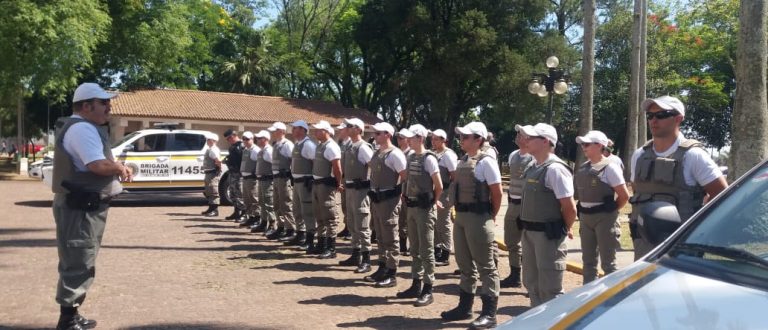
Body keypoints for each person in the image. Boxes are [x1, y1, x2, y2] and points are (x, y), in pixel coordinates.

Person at [51, 83, 131, 330]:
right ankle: (67, 320)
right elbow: (96, 165)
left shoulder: (84, 127)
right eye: (103, 102)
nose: (109, 106)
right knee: (79, 258)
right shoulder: (83, 129)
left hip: (83, 206)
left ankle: (72, 315)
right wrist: (119, 167)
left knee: (80, 257)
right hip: (80, 209)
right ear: (86, 106)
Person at [630, 96, 727, 260]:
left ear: (678, 118)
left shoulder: (693, 155)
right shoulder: (639, 155)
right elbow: (637, 190)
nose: (654, 120)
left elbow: (722, 194)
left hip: (681, 244)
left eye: (661, 115)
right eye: (650, 116)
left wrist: (699, 224)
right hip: (643, 242)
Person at [440, 122, 502, 329]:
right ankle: (464, 307)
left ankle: (489, 313)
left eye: (466, 137)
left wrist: (489, 215)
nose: (461, 140)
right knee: (465, 265)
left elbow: (497, 192)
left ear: (478, 139)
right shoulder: (463, 160)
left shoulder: (486, 162)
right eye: (461, 136)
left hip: (478, 216)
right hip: (462, 216)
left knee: (486, 267)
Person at [516, 123, 577, 307]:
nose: (525, 140)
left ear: (545, 141)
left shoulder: (555, 169)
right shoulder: (533, 166)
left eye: (530, 137)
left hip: (548, 236)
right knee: (532, 284)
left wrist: (563, 230)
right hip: (529, 232)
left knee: (550, 287)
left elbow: (569, 207)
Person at [574, 130, 630, 283]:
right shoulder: (584, 168)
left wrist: (609, 213)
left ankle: (611, 300)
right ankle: (588, 297)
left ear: (599, 146)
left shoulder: (610, 167)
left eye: (587, 144)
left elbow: (624, 196)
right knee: (588, 262)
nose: (583, 147)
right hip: (585, 217)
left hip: (604, 218)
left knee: (608, 263)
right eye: (582, 144)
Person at [396, 124, 443, 307]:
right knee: (414, 248)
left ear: (420, 139)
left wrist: (432, 201)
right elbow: (407, 178)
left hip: (424, 208)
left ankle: (428, 287)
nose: (408, 140)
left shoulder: (428, 159)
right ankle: (416, 283)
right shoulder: (410, 156)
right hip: (412, 207)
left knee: (427, 249)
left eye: (412, 137)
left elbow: (438, 185)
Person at [364, 122, 407, 288]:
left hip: (389, 200)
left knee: (390, 236)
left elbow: (405, 176)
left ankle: (392, 271)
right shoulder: (377, 153)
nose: (375, 135)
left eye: (379, 133)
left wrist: (396, 192)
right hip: (376, 199)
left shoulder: (395, 154)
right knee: (380, 236)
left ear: (388, 135)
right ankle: (382, 267)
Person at [338, 118, 375, 273]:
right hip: (350, 189)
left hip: (361, 190)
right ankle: (356, 254)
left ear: (359, 130)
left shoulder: (363, 148)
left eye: (350, 126)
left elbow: (374, 167)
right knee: (352, 223)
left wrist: (368, 183)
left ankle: (366, 259)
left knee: (362, 224)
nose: (347, 128)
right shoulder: (349, 146)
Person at [499, 125, 534, 289]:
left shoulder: (534, 158)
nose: (517, 136)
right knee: (511, 241)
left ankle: (532, 279)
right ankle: (515, 275)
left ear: (528, 138)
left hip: (528, 206)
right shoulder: (513, 155)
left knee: (530, 244)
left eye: (520, 134)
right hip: (513, 204)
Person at [310, 120, 343, 258]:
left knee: (329, 216)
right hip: (317, 184)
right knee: (319, 216)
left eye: (319, 130)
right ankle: (321, 243)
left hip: (325, 184)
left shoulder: (331, 147)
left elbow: (337, 168)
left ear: (327, 131)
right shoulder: (320, 146)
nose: (316, 132)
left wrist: (338, 183)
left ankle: (331, 247)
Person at [430, 129, 457, 267]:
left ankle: (446, 252)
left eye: (436, 139)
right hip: (434, 192)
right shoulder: (433, 154)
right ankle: (437, 249)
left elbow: (454, 176)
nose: (433, 141)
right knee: (434, 222)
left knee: (443, 223)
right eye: (432, 139)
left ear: (443, 140)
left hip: (444, 192)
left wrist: (450, 195)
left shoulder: (448, 155)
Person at [288, 120, 316, 249]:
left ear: (302, 130)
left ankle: (310, 238)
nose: (293, 131)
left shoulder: (308, 145)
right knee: (297, 210)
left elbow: (315, 163)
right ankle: (300, 234)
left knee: (307, 211)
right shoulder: (297, 144)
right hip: (297, 182)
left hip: (305, 182)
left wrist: (313, 178)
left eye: (295, 128)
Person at [268, 122, 297, 241]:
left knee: (286, 204)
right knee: (277, 204)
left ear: (282, 131)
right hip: (276, 178)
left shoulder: (287, 144)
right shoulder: (276, 145)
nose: (273, 133)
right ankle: (281, 226)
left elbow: (293, 161)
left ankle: (290, 228)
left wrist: (290, 175)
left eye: (275, 131)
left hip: (284, 178)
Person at [253, 130, 278, 236]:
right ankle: (263, 222)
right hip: (262, 180)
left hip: (268, 180)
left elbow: (274, 164)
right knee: (262, 202)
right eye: (257, 138)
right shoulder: (261, 151)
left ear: (266, 139)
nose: (258, 140)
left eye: (260, 138)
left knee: (269, 202)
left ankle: (272, 224)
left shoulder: (268, 151)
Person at [239, 132, 262, 230]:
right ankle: (250, 217)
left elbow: (260, 163)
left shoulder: (255, 150)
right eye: (243, 139)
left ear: (252, 139)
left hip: (252, 179)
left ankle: (257, 218)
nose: (245, 141)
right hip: (245, 178)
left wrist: (256, 173)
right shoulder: (245, 150)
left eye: (247, 139)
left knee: (254, 199)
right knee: (247, 199)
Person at [396, 129, 414, 256]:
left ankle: (411, 246)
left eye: (402, 138)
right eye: (398, 138)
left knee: (409, 220)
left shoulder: (411, 154)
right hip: (400, 190)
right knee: (401, 219)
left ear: (408, 139)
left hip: (409, 191)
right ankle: (402, 246)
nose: (399, 140)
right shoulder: (398, 152)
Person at [223, 129, 246, 221]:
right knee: (233, 194)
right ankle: (237, 212)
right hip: (232, 172)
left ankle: (244, 213)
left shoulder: (242, 145)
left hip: (239, 173)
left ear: (233, 136)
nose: (228, 141)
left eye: (228, 139)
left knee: (239, 193)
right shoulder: (232, 147)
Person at [336, 122, 353, 240]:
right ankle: (347, 226)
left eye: (341, 130)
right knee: (344, 205)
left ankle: (352, 229)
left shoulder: (352, 144)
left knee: (351, 205)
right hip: (343, 178)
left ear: (347, 130)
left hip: (350, 178)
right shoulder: (341, 144)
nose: (339, 131)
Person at [201, 132, 222, 217]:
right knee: (209, 191)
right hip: (209, 172)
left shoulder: (213, 150)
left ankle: (214, 210)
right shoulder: (210, 149)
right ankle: (211, 208)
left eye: (209, 140)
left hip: (212, 173)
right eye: (207, 140)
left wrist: (218, 170)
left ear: (214, 141)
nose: (207, 141)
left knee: (213, 191)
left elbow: (218, 161)